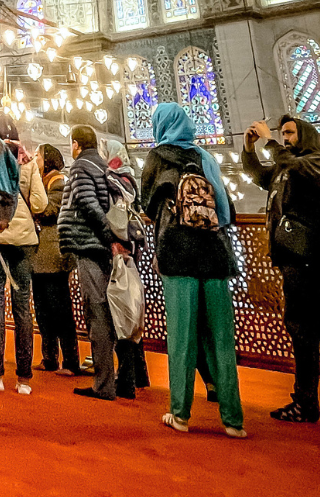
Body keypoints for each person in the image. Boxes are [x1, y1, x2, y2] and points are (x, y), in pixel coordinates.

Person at [242, 112, 320, 428]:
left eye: (290, 133)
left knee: (304, 330)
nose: (285, 138)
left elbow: (294, 165)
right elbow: (260, 176)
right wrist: (249, 150)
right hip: (296, 258)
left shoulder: (318, 163)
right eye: (282, 134)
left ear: (306, 136)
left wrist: (270, 143)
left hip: (312, 258)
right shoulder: (288, 168)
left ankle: (306, 402)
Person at [141, 103, 246, 437]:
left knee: (182, 337)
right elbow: (226, 211)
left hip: (178, 253)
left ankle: (180, 413)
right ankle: (233, 420)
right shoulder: (206, 157)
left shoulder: (157, 157)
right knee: (221, 339)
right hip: (215, 255)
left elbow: (147, 207)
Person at [57, 124, 127, 401]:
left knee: (96, 312)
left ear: (76, 144)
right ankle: (125, 380)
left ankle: (103, 384)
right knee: (114, 312)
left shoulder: (80, 167)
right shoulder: (105, 167)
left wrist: (107, 235)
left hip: (90, 244)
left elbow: (87, 202)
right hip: (106, 246)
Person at [0, 136, 39, 395]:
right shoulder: (28, 165)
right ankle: (24, 378)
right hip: (23, 241)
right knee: (22, 307)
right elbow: (40, 202)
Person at [29, 144, 81, 376]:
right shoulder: (43, 181)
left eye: (38, 155)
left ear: (48, 159)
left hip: (54, 255)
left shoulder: (58, 182)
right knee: (42, 309)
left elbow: (48, 210)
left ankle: (70, 360)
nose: (35, 158)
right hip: (40, 256)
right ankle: (49, 357)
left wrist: (30, 200)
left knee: (60, 309)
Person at [104, 137, 150, 398]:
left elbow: (112, 216)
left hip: (118, 250)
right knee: (131, 312)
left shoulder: (112, 180)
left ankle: (126, 381)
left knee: (121, 314)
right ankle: (139, 374)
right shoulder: (129, 178)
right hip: (133, 250)